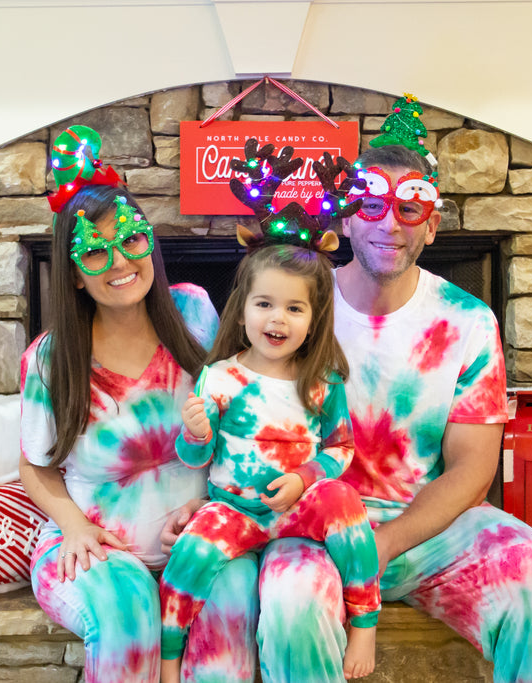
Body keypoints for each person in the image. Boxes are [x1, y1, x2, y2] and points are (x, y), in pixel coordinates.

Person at [254, 141, 532, 682]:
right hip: (312, 528)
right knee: (290, 606)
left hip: (427, 529)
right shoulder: (296, 308)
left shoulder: (467, 321)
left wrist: (384, 544)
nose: (390, 224)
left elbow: (472, 471)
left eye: (409, 209)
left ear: (430, 226)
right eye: (372, 206)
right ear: (348, 219)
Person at [19, 125, 259, 683]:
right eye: (95, 253)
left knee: (235, 599)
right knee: (128, 617)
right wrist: (73, 526)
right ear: (75, 276)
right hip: (96, 548)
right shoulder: (52, 359)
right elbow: (35, 465)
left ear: (149, 240)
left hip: (198, 536)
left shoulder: (196, 314)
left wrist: (215, 506)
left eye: (129, 240)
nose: (119, 261)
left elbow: (238, 425)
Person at [158, 244, 380, 683]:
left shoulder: (322, 379)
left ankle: (364, 625)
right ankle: (169, 658)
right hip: (234, 510)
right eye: (264, 304)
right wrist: (196, 434)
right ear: (241, 312)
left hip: (297, 511)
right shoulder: (220, 377)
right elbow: (195, 457)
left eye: (294, 308)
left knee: (345, 501)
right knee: (188, 556)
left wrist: (304, 478)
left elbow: (339, 448)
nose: (277, 318)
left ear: (314, 320)